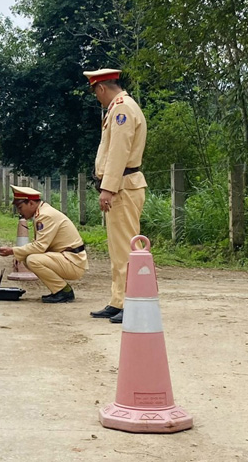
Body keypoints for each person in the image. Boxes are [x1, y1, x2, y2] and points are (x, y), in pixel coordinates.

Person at [83, 69, 147, 324]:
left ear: (101, 88)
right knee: (118, 248)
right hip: (122, 185)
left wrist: (107, 188)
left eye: (95, 93)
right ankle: (119, 300)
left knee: (127, 248)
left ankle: (133, 301)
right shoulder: (120, 108)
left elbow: (119, 152)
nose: (97, 98)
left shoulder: (121, 109)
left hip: (123, 186)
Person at [0, 185, 88, 303]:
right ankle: (61, 290)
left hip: (73, 262)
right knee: (26, 257)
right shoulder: (42, 212)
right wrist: (18, 253)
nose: (20, 212)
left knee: (33, 259)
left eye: (20, 207)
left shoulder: (45, 215)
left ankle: (63, 291)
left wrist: (13, 251)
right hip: (68, 258)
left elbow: (40, 246)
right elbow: (39, 245)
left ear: (31, 203)